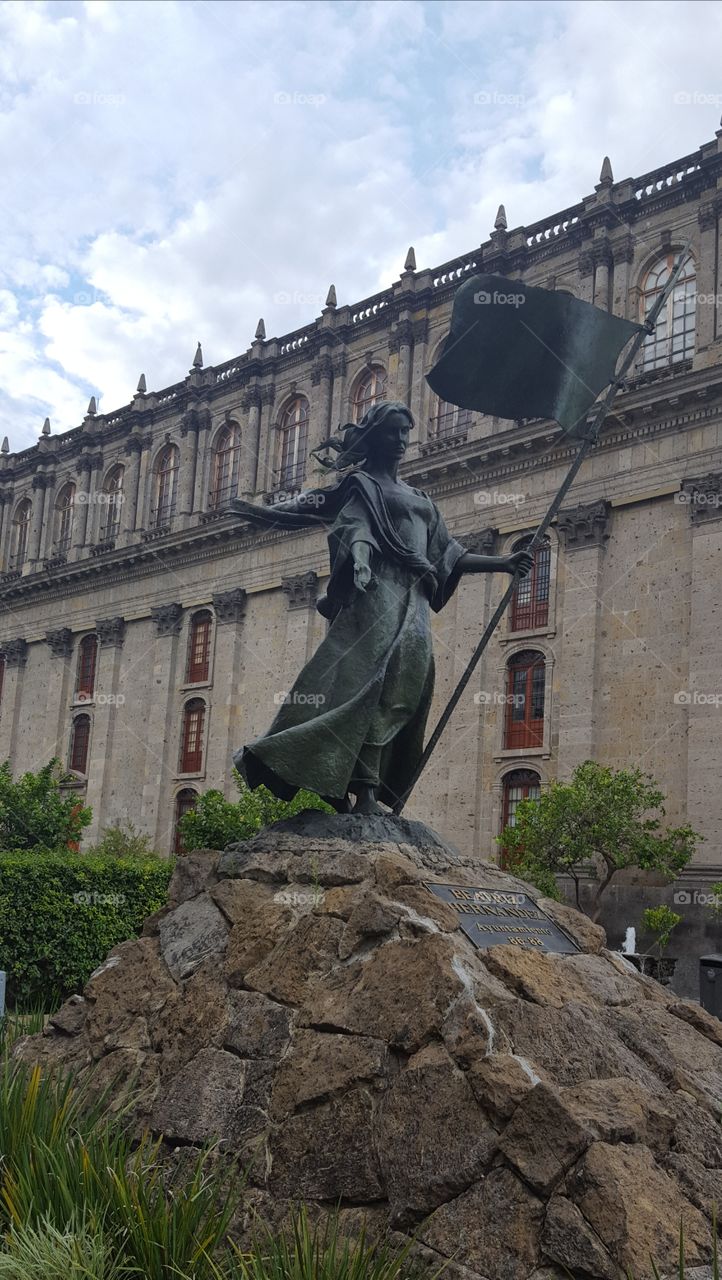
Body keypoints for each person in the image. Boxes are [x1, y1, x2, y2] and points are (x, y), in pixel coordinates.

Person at [230, 401, 533, 815]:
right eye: (393, 432)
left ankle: (346, 780)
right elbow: (346, 522)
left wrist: (502, 564)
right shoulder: (362, 486)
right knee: (373, 685)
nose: (402, 440)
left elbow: (448, 553)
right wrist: (270, 515)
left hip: (416, 600)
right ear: (374, 437)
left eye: (406, 432)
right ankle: (364, 790)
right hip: (376, 593)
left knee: (409, 687)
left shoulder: (420, 497)